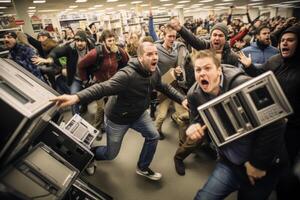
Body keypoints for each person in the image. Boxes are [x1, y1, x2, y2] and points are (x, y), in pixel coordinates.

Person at [50, 41, 187, 180]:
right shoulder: (127, 75)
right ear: (140, 58)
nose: (155, 57)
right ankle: (89, 155)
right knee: (111, 155)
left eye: (156, 54)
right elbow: (102, 88)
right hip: (117, 119)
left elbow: (163, 86)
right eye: (149, 54)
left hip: (138, 114)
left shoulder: (154, 70)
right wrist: (76, 97)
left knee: (153, 136)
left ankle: (142, 167)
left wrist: (182, 99)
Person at [187, 50, 288, 200]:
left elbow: (276, 121)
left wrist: (257, 164)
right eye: (198, 69)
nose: (202, 73)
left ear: (219, 70)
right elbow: (197, 118)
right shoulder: (194, 95)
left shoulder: (243, 84)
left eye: (207, 68)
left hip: (262, 164)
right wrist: (194, 125)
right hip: (230, 163)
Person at [239, 24, 300, 200]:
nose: (284, 43)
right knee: (268, 156)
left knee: (286, 170)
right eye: (282, 40)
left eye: (290, 40)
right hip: (271, 122)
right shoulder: (275, 60)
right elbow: (261, 76)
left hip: (293, 128)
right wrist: (250, 67)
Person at [77, 29, 129, 133]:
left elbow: (127, 61)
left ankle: (108, 125)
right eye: (109, 40)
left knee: (113, 106)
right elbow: (80, 65)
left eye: (114, 40)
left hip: (113, 83)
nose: (112, 42)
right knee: (101, 108)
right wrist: (85, 80)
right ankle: (95, 130)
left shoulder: (118, 50)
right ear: (104, 41)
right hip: (99, 84)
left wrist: (121, 52)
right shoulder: (96, 52)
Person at [32, 30, 95, 115]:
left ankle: (84, 106)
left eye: (82, 41)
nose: (79, 43)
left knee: (86, 96)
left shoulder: (92, 48)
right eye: (77, 41)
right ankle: (76, 118)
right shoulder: (70, 48)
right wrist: (49, 59)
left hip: (87, 78)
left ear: (86, 41)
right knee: (73, 98)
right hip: (75, 78)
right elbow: (57, 52)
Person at [170, 17, 239, 67]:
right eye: (214, 35)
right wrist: (181, 29)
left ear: (225, 38)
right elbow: (193, 40)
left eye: (220, 35)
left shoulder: (232, 57)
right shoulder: (205, 47)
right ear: (210, 36)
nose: (217, 38)